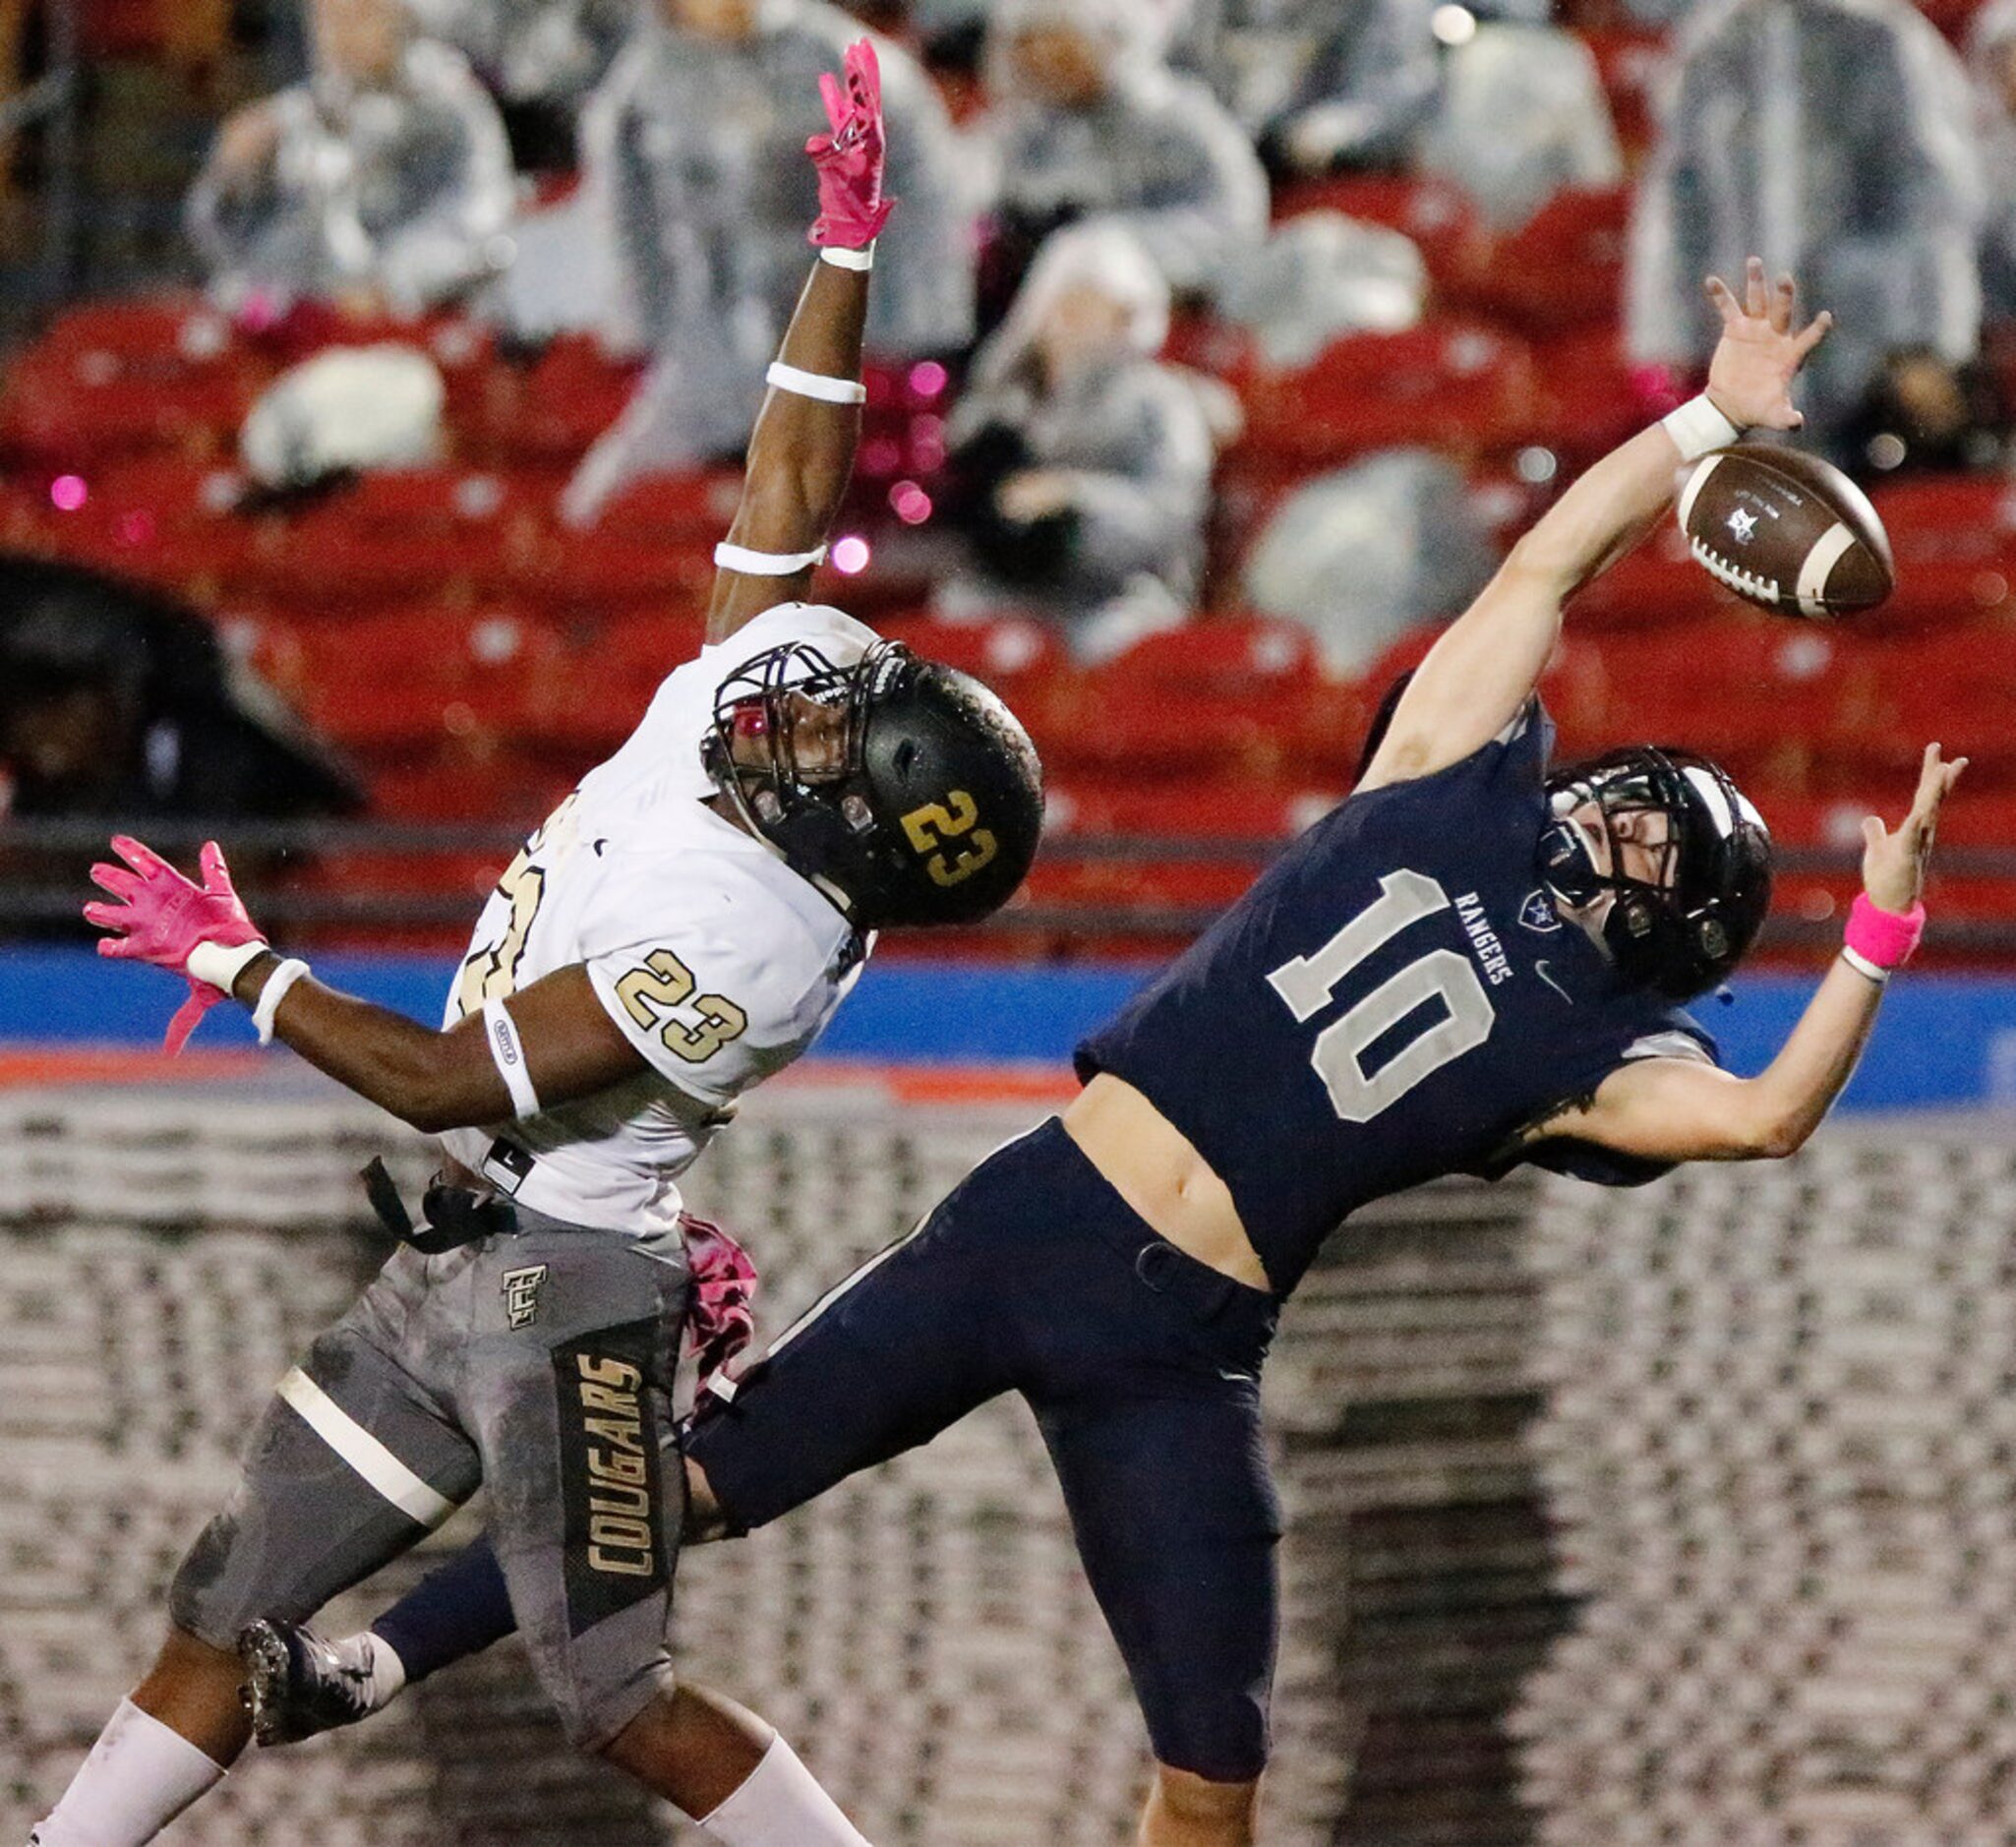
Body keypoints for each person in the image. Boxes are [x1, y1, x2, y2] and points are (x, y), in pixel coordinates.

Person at [238, 264, 1963, 1847]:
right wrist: (1707, 419)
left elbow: (1764, 1116)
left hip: (1184, 1340)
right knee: (680, 1482)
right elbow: (1552, 560)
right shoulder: (1435, 777)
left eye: (1659, 852)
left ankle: (384, 1653)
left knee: (1212, 1774)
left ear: (1678, 934)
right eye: (1635, 803)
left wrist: (1878, 928)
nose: (1618, 823)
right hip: (1034, 1218)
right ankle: (374, 1663)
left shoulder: (1588, 1052)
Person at [32, 41, 1042, 1847]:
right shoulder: (785, 746)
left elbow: (440, 1071)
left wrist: (238, 961)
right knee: (224, 1597)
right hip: (456, 1253)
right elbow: (791, 489)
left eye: (833, 740)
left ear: (847, 826)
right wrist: (845, 255)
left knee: (615, 1696)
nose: (801, 704)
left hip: (561, 1293)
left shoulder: (749, 937)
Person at [553, 0, 974, 522]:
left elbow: (921, 210)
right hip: (704, 360)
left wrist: (904, 342)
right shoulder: (639, 85)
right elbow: (627, 229)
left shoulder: (851, 62)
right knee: (599, 516)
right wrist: (647, 333)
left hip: (845, 348)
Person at [1627, 0, 1985, 456]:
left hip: (1866, 349)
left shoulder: (1884, 38)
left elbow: (1929, 199)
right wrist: (1671, 338)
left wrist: (1922, 341)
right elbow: (1677, 200)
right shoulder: (1713, 43)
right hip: (1740, 338)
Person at [935, 217, 1216, 661]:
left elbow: (1173, 515)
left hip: (1119, 594)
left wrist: (1074, 498)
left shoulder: (1160, 403)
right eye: (1061, 301)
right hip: (1007, 585)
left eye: (1087, 305)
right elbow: (961, 497)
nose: (1066, 321)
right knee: (955, 630)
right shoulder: (1002, 400)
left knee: (1118, 645)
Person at [186, 0, 516, 320]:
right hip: (309, 328)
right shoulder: (298, 115)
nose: (339, 34)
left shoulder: (450, 107)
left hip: (422, 324)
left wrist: (389, 285)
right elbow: (225, 241)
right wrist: (233, 178)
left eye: (359, 15)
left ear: (398, 17)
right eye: (327, 18)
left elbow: (479, 220)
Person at [977, 0, 1269, 310]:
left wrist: (1100, 237)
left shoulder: (1170, 116)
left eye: (1057, 44)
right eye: (1025, 46)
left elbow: (1234, 222)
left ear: (1103, 40)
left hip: (1177, 284)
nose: (1041, 59)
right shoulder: (1028, 127)